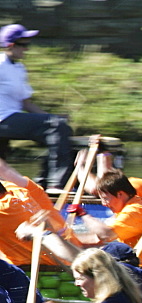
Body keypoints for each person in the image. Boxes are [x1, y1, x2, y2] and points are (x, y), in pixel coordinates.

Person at [0, 24, 73, 190]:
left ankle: (39, 184)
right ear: (11, 45)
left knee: (60, 126)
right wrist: (54, 123)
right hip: (3, 119)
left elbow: (26, 104)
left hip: (12, 117)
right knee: (56, 127)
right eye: (23, 45)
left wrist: (54, 117)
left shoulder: (19, 68)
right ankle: (55, 184)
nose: (26, 49)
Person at [73, 170, 142, 267]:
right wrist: (70, 239)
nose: (103, 203)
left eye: (105, 198)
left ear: (120, 194)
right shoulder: (129, 205)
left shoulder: (134, 212)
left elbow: (106, 234)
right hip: (141, 260)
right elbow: (97, 238)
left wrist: (83, 214)